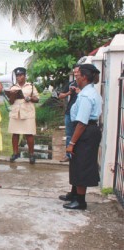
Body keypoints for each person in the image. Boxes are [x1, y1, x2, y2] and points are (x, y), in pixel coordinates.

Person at [62, 64, 102, 210]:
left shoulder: (86, 95)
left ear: (84, 77)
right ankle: (75, 194)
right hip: (86, 130)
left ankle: (80, 201)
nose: (76, 78)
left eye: (78, 76)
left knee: (82, 164)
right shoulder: (89, 92)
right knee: (77, 162)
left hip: (85, 131)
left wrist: (72, 142)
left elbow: (82, 123)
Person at [8, 67, 39, 164]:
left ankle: (31, 154)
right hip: (16, 113)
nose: (18, 77)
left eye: (20, 75)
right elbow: (11, 102)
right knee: (15, 133)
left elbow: (37, 99)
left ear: (25, 76)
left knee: (29, 134)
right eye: (17, 75)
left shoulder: (31, 86)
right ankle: (15, 153)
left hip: (27, 113)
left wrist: (30, 98)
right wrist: (12, 95)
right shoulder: (13, 87)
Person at [58, 65, 80, 162]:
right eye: (74, 72)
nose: (75, 74)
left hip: (80, 113)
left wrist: (79, 91)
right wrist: (68, 93)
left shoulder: (85, 85)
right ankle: (68, 155)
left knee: (79, 134)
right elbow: (60, 96)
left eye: (77, 72)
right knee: (69, 134)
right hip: (69, 112)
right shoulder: (71, 84)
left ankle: (78, 155)